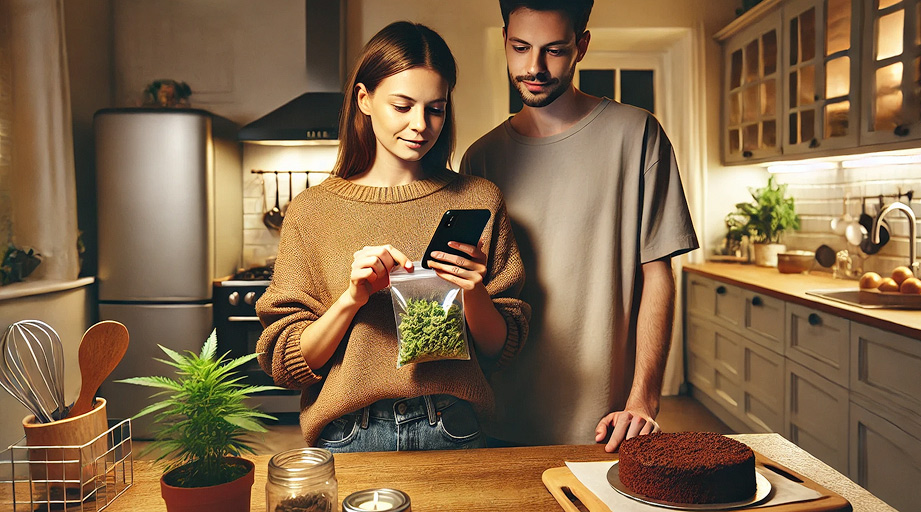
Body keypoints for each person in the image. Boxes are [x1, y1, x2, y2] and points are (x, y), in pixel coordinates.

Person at [256, 21, 530, 453]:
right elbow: (286, 365)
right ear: (364, 99)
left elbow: (501, 350)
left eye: (435, 109)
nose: (420, 124)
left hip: (454, 428)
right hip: (348, 436)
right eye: (402, 106)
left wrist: (473, 291)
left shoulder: (479, 199)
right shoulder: (312, 211)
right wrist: (352, 298)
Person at [460, 0, 698, 452]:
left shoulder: (638, 134)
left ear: (581, 47)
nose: (534, 66)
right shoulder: (481, 157)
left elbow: (657, 275)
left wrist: (644, 399)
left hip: (605, 424)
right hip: (495, 417)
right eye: (520, 47)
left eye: (553, 50)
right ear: (504, 41)